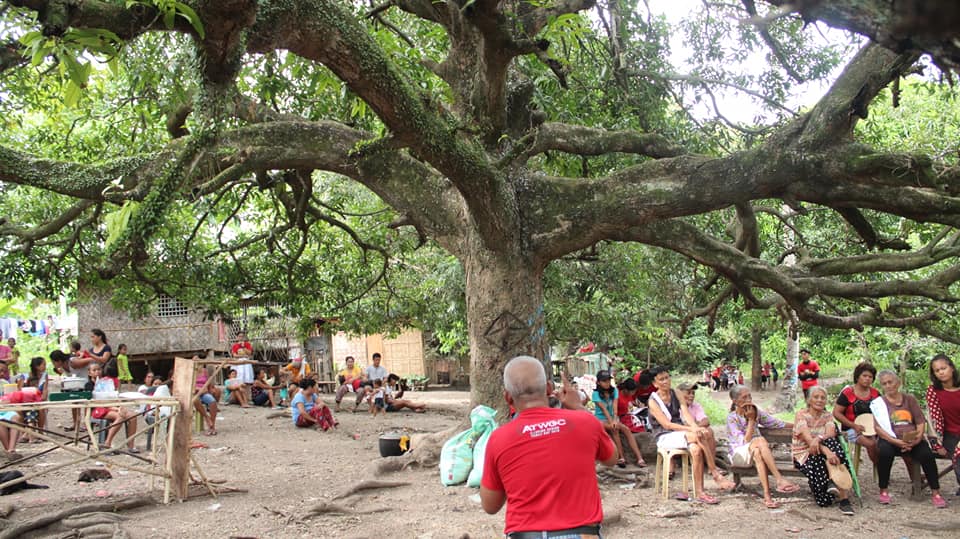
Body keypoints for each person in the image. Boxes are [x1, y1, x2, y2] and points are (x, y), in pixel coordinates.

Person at [480, 356, 616, 538]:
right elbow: (611, 458)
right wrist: (578, 407)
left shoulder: (499, 438)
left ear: (507, 397)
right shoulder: (585, 422)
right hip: (584, 533)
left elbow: (490, 506)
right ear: (549, 389)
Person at [647, 367, 731, 503]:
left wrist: (695, 427)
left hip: (681, 434)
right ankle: (715, 473)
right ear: (655, 383)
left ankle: (700, 492)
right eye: (661, 379)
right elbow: (667, 425)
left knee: (696, 449)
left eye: (667, 377)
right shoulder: (653, 401)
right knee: (698, 436)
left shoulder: (676, 393)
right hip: (664, 436)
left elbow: (686, 414)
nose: (666, 381)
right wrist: (691, 430)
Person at [871, 369, 948, 508]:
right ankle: (883, 490)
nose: (888, 386)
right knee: (885, 453)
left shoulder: (909, 399)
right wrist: (896, 441)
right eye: (884, 383)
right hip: (891, 439)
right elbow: (878, 428)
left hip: (912, 438)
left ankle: (936, 492)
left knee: (926, 454)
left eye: (890, 382)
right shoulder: (878, 404)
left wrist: (917, 439)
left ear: (898, 382)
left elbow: (920, 421)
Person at [726, 385, 800, 508]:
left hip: (756, 450)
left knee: (757, 452)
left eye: (749, 396)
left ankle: (767, 496)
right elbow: (744, 441)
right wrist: (751, 420)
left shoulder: (756, 412)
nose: (748, 400)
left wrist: (799, 425)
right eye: (744, 397)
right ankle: (779, 479)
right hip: (739, 454)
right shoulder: (732, 418)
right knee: (759, 440)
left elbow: (776, 423)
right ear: (735, 401)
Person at [792, 386, 855, 515]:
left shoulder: (827, 415)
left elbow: (830, 434)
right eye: (816, 397)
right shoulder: (801, 415)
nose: (820, 400)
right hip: (804, 454)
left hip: (825, 453)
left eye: (823, 398)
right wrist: (825, 450)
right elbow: (809, 441)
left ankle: (844, 498)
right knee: (824, 501)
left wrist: (819, 439)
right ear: (809, 400)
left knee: (831, 442)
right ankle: (831, 482)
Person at [592, 370, 645, 468]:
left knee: (626, 429)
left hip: (613, 417)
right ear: (598, 382)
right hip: (601, 419)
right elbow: (604, 410)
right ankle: (621, 457)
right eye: (604, 381)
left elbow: (614, 407)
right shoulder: (595, 394)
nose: (607, 383)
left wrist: (615, 419)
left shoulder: (614, 391)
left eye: (608, 380)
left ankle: (639, 458)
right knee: (614, 429)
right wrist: (612, 422)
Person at [832, 362, 880, 470]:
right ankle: (880, 467)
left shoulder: (875, 394)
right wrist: (854, 425)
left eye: (870, 377)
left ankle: (882, 468)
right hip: (851, 429)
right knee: (871, 443)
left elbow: (881, 413)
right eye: (864, 376)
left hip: (873, 429)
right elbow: (836, 413)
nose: (867, 379)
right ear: (857, 376)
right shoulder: (848, 393)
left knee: (885, 444)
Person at [927, 353, 960, 496]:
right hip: (949, 435)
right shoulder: (933, 391)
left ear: (951, 368)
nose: (941, 372)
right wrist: (936, 444)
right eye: (937, 370)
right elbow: (933, 420)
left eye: (943, 368)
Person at [88, 363, 139, 453]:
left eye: (99, 369)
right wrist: (114, 408)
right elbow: (94, 402)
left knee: (133, 416)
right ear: (89, 373)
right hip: (99, 409)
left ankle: (131, 445)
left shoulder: (106, 382)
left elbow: (113, 396)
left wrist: (119, 406)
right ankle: (107, 443)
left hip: (112, 406)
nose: (97, 372)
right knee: (120, 416)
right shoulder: (89, 385)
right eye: (94, 370)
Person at [193, 363, 222, 436]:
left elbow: (208, 383)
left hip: (204, 392)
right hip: (194, 392)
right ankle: (206, 417)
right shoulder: (191, 371)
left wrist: (209, 389)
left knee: (212, 401)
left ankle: (212, 426)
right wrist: (197, 389)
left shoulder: (205, 371)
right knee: (195, 400)